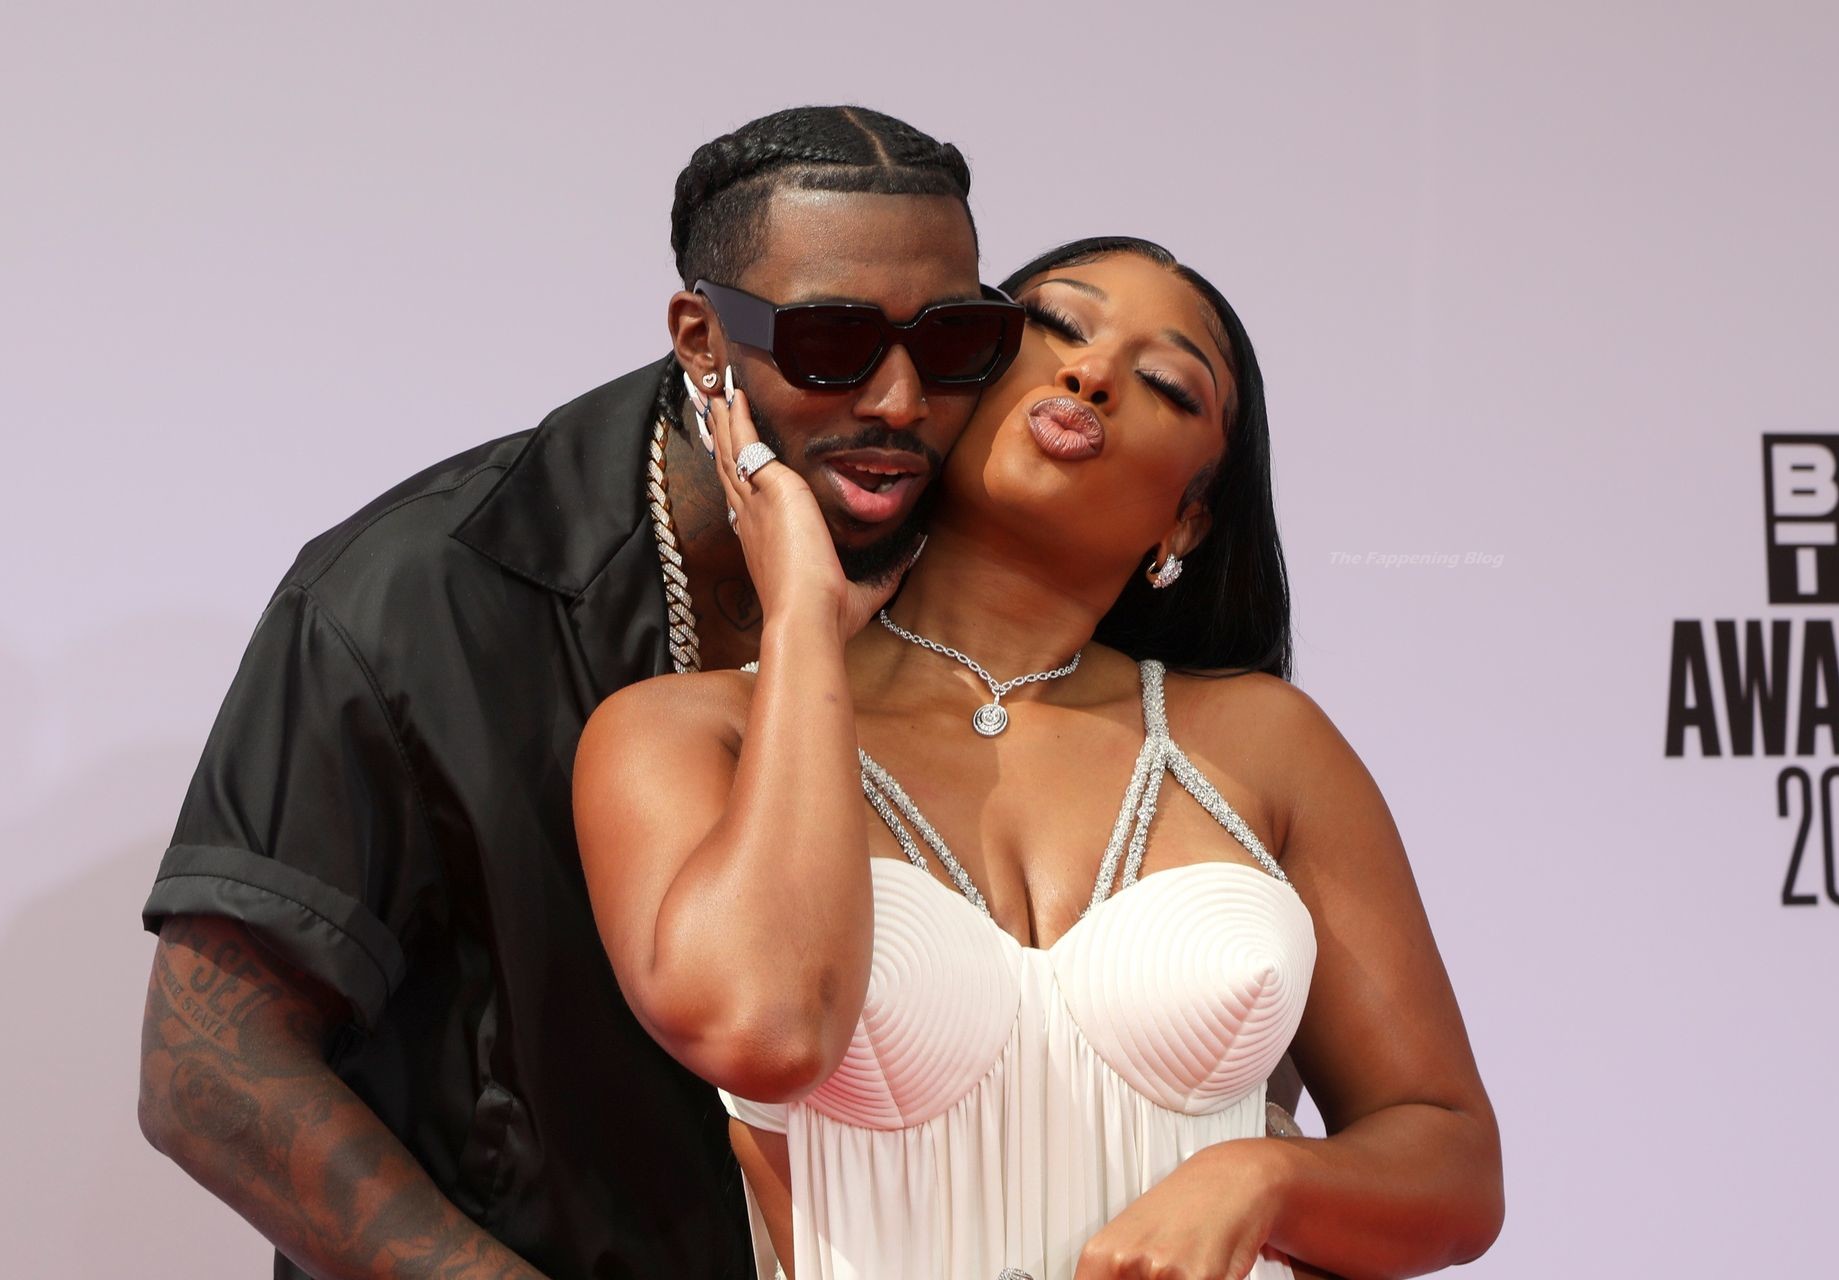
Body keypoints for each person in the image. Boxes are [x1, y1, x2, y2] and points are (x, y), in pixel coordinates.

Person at [132, 104, 1016, 1279]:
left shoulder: (983, 574)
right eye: (829, 343)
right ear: (702, 338)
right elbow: (209, 1069)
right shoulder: (415, 597)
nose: (901, 400)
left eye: (955, 339)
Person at [572, 238, 1505, 1279]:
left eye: (1167, 383)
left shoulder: (1267, 744)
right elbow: (765, 1030)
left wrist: (1259, 1180)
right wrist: (800, 612)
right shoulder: (693, 734)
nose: (1092, 373)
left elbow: (1453, 1163)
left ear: (1186, 521)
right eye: (1055, 327)